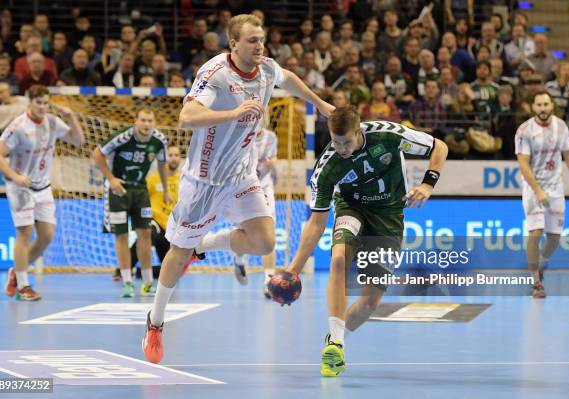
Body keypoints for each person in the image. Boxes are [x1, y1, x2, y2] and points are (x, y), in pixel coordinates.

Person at [141, 14, 334, 364]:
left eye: (261, 39)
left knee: (263, 243)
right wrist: (233, 114)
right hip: (203, 181)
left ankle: (206, 244)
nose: (259, 46)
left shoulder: (266, 68)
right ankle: (155, 323)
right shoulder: (215, 74)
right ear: (233, 44)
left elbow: (287, 78)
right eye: (251, 41)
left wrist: (320, 105)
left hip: (243, 177)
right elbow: (187, 117)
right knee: (177, 253)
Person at [287, 106, 448, 376]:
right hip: (352, 207)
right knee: (338, 259)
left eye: (346, 141)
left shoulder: (388, 135)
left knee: (369, 303)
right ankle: (336, 341)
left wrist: (427, 184)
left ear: (359, 132)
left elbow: (439, 147)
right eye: (335, 142)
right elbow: (316, 223)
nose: (341, 148)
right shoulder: (327, 167)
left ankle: (335, 340)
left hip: (389, 215)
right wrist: (293, 270)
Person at [0, 85, 84, 300]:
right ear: (29, 102)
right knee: (25, 232)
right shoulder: (18, 127)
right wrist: (15, 176)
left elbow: (78, 142)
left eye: (45, 103)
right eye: (38, 102)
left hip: (43, 187)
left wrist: (72, 119)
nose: (42, 107)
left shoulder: (52, 122)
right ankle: (23, 286)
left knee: (47, 236)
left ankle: (16, 271)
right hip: (20, 186)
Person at [515, 91, 569, 298]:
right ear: (533, 108)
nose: (543, 108)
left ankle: (541, 262)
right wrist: (538, 190)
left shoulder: (561, 126)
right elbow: (523, 164)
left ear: (552, 106)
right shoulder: (525, 131)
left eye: (546, 104)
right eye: (538, 105)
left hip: (555, 188)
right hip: (533, 187)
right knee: (536, 232)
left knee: (554, 238)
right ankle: (536, 284)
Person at [93, 108, 170, 298]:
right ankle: (127, 282)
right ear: (135, 121)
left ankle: (146, 282)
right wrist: (111, 179)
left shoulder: (159, 140)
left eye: (149, 120)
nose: (146, 124)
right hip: (118, 191)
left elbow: (162, 163)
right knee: (121, 235)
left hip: (140, 191)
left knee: (145, 233)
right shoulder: (124, 137)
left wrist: (166, 190)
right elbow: (97, 153)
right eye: (143, 120)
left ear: (154, 122)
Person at [232, 123, 278, 294]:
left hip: (265, 188)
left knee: (269, 231)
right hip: (243, 187)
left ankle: (269, 280)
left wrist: (273, 162)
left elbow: (273, 159)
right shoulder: (238, 135)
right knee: (242, 231)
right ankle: (239, 259)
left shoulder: (271, 137)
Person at [126, 145, 182, 280]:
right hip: (154, 219)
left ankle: (138, 272)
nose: (173, 158)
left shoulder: (183, 179)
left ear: (180, 159)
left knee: (172, 272)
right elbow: (142, 198)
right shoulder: (154, 178)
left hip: (171, 226)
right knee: (149, 233)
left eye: (176, 155)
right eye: (170, 155)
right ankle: (124, 269)